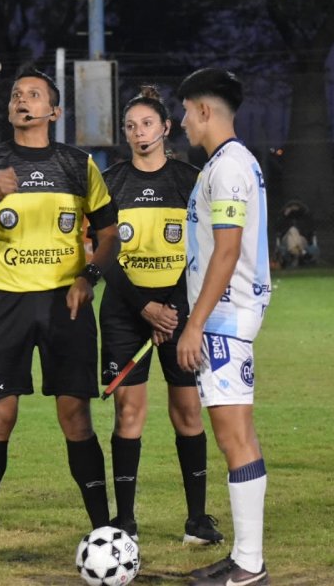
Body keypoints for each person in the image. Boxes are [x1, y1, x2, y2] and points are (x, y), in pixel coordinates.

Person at [0, 67, 120, 575]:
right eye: (17, 94)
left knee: (75, 418)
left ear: (53, 112)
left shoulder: (78, 164)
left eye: (34, 95)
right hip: (5, 305)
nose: (22, 100)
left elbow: (110, 234)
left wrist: (89, 276)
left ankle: (105, 534)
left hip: (67, 304)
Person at [97, 85, 223, 546]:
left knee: (188, 410)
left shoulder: (191, 180)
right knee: (128, 414)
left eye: (147, 123)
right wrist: (145, 307)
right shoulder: (109, 183)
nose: (138, 133)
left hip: (180, 313)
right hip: (125, 313)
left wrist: (172, 307)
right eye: (130, 126)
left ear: (166, 128)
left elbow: (205, 251)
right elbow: (105, 255)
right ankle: (125, 521)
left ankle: (197, 520)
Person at [176, 68, 271, 586]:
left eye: (186, 110)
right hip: (228, 316)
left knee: (234, 437)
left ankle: (250, 565)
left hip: (224, 319)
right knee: (240, 436)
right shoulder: (229, 164)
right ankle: (245, 557)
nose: (182, 120)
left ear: (205, 111)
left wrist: (195, 325)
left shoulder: (227, 168)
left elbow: (228, 249)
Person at [273, 200, 318, 268]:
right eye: (291, 207)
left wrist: (298, 230)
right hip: (286, 240)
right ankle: (302, 252)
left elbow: (310, 229)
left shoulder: (304, 219)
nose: (293, 209)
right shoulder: (284, 218)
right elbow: (277, 228)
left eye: (296, 207)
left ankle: (295, 255)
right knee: (292, 230)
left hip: (302, 239)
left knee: (293, 230)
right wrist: (284, 215)